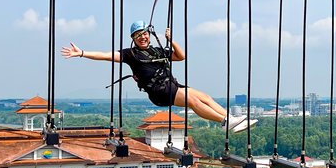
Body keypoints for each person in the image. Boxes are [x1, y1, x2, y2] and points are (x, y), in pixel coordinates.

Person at [61, 21, 256, 133]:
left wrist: (171, 40)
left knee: (205, 97)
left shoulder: (156, 50)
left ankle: (231, 119)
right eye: (138, 36)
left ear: (148, 34)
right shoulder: (130, 54)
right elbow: (106, 55)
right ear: (134, 40)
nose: (143, 38)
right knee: (193, 101)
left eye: (144, 34)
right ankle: (225, 122)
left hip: (171, 84)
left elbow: (181, 56)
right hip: (159, 91)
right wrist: (82, 53)